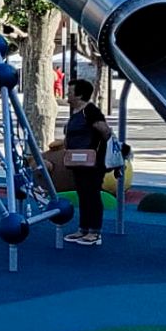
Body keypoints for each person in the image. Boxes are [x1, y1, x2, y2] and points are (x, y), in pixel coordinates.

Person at [62, 78, 112, 247]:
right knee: (83, 194)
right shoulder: (76, 112)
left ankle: (95, 232)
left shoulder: (90, 111)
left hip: (92, 162)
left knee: (92, 194)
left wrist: (96, 150)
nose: (67, 94)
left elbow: (105, 132)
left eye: (70, 92)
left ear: (79, 95)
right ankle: (83, 228)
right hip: (77, 161)